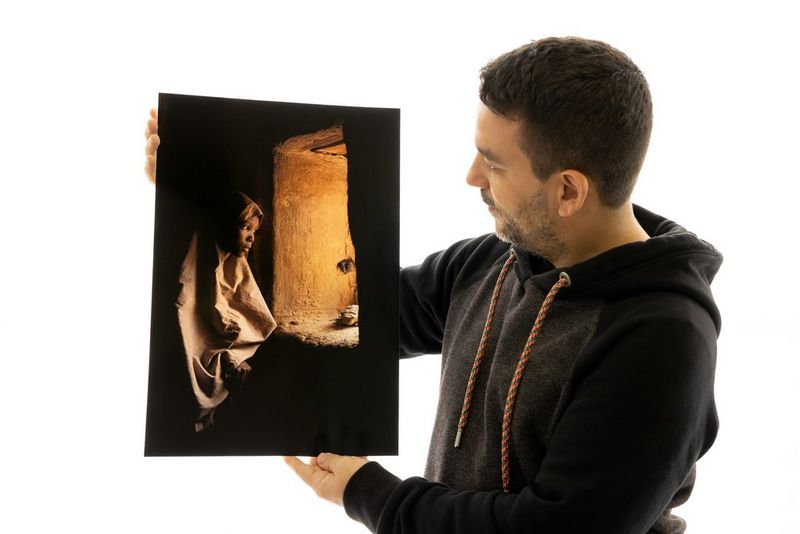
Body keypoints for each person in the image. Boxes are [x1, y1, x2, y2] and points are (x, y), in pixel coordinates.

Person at [145, 36, 722, 533]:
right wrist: (191, 207)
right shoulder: (488, 263)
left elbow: (553, 529)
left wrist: (369, 493)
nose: (471, 177)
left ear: (568, 191)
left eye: (492, 163)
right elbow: (362, 319)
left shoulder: (663, 341)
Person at [175, 190, 277, 432]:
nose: (252, 238)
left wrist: (235, 357)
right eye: (245, 228)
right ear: (221, 226)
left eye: (254, 231)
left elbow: (250, 317)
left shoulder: (235, 268)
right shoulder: (190, 285)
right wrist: (231, 358)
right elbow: (195, 339)